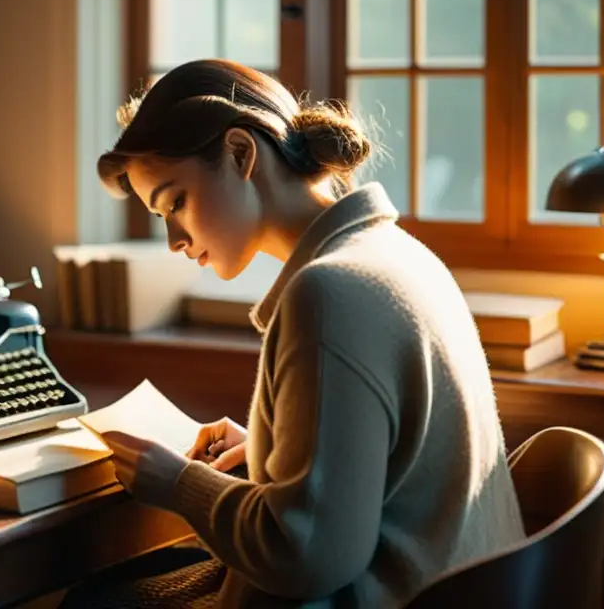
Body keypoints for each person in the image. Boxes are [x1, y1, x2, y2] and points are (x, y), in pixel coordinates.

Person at [59, 59, 525, 608]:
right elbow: (387, 469)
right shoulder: (399, 254)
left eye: (175, 202)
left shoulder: (329, 292)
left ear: (240, 153)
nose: (174, 240)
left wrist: (179, 484)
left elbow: (308, 557)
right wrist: (271, 451)